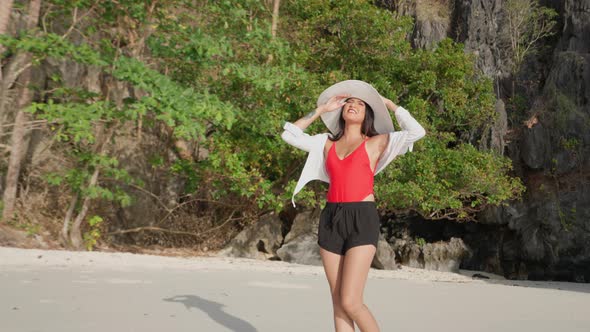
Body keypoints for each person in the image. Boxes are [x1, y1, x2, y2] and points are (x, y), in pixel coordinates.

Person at [280, 80, 426, 332]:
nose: (354, 105)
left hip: (362, 218)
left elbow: (417, 132)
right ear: (342, 111)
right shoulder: (325, 143)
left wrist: (389, 105)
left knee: (351, 301)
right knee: (338, 302)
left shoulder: (377, 142)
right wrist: (320, 110)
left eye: (360, 103)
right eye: (349, 102)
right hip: (331, 218)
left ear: (368, 113)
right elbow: (289, 134)